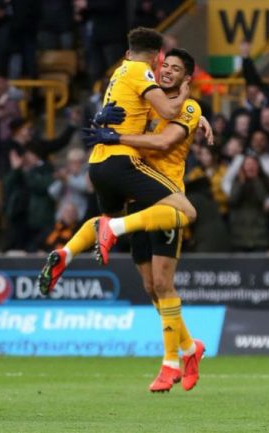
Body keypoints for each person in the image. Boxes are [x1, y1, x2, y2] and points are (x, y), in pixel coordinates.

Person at [81, 49, 207, 392]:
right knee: (151, 287)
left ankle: (169, 365)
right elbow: (120, 112)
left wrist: (118, 138)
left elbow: (165, 140)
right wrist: (101, 119)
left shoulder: (190, 108)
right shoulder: (150, 101)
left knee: (164, 284)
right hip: (139, 199)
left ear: (186, 78)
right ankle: (188, 348)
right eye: (165, 65)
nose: (166, 71)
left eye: (176, 69)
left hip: (166, 201)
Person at [38, 28, 196, 291]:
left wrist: (196, 117)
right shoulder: (140, 71)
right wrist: (185, 96)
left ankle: (67, 253)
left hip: (97, 164)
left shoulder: (118, 73)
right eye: (163, 63)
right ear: (157, 58)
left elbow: (133, 112)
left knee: (107, 220)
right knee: (186, 212)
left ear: (126, 52)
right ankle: (115, 229)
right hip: (123, 162)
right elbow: (169, 110)